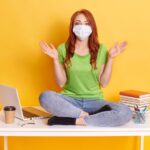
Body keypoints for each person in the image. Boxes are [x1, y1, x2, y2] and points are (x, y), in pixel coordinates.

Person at [39, 9, 132, 127]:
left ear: (92, 27)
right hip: (70, 101)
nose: (82, 27)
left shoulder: (101, 49)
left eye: (87, 23)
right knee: (45, 97)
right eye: (77, 23)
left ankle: (73, 120)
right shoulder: (63, 49)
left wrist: (110, 58)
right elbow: (61, 83)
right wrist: (55, 59)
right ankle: (88, 115)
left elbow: (103, 83)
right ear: (72, 26)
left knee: (126, 112)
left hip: (95, 101)